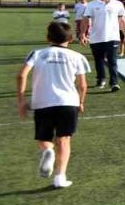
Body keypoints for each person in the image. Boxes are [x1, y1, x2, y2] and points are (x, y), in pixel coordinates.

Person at [17, 21, 90, 189]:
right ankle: (59, 178)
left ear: (47, 37)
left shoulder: (37, 54)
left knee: (44, 138)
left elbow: (21, 76)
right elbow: (83, 85)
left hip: (43, 102)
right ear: (70, 39)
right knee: (64, 140)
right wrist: (81, 102)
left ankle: (47, 151)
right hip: (68, 102)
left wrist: (21, 101)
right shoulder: (77, 57)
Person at [78, 0, 125, 92]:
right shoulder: (92, 4)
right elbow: (85, 20)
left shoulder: (118, 4)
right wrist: (82, 34)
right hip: (96, 38)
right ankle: (101, 79)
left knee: (112, 61)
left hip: (113, 37)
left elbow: (122, 20)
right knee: (99, 61)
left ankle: (114, 83)